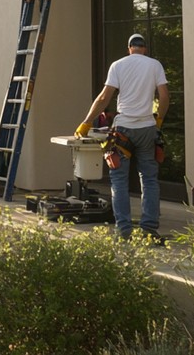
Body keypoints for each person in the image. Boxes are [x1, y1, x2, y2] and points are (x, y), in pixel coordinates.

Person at [75, 33, 169, 241]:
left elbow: (104, 97)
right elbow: (164, 96)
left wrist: (87, 122)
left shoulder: (117, 65)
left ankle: (124, 231)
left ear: (129, 49)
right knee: (150, 179)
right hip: (147, 129)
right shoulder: (154, 65)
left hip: (123, 130)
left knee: (119, 180)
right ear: (144, 48)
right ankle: (149, 230)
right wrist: (159, 121)